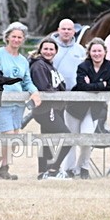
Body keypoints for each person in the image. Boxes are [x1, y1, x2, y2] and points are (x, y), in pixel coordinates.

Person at [0, 21, 41, 180]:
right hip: (1, 103)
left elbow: (27, 82)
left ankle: (5, 169)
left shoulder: (23, 61)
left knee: (14, 139)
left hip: (18, 104)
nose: (17, 40)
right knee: (8, 136)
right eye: (14, 36)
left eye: (20, 37)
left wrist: (34, 92)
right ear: (7, 37)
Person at [65, 37, 110, 179]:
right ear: (89, 52)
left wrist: (95, 85)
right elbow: (82, 86)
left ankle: (82, 168)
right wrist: (101, 84)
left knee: (87, 138)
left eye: (99, 51)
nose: (97, 54)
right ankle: (68, 169)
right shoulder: (83, 66)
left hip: (94, 109)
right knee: (72, 139)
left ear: (105, 52)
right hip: (75, 108)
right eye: (94, 51)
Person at [29, 38, 72, 179]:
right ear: (40, 50)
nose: (48, 51)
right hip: (46, 109)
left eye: (51, 49)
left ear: (56, 51)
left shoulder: (49, 66)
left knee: (47, 140)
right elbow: (43, 88)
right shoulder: (39, 65)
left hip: (54, 108)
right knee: (68, 137)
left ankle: (43, 172)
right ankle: (54, 168)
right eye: (45, 49)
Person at [50, 18, 87, 176]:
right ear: (58, 30)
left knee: (71, 133)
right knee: (55, 133)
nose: (66, 32)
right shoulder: (51, 48)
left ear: (74, 31)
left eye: (69, 29)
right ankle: (52, 166)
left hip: (74, 96)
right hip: (54, 95)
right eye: (63, 29)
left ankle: (71, 167)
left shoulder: (80, 50)